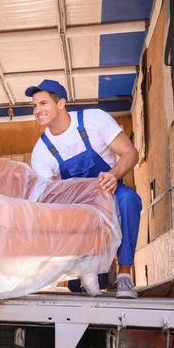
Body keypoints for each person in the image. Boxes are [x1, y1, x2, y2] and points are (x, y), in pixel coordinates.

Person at [26, 79, 142, 299]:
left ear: (61, 103)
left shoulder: (94, 120)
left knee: (129, 200)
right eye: (34, 106)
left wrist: (114, 175)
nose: (37, 110)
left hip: (109, 191)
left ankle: (125, 275)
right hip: (76, 203)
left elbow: (131, 154)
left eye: (43, 103)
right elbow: (48, 194)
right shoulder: (41, 151)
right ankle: (84, 270)